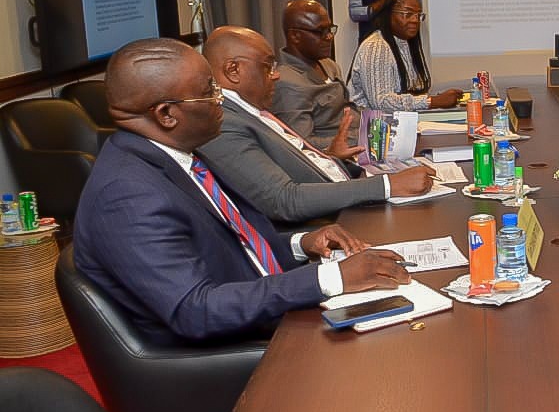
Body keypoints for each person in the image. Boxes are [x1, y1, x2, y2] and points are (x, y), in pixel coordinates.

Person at [73, 38, 407, 346]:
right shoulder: (127, 196)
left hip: (269, 311)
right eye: (209, 91)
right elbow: (196, 309)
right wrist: (330, 278)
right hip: (237, 354)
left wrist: (301, 243)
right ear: (167, 114)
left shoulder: (174, 156)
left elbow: (233, 247)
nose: (221, 99)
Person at [197, 27, 437, 224]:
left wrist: (332, 157)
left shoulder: (248, 109)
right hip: (331, 222)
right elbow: (283, 200)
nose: (276, 75)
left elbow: (290, 167)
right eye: (267, 66)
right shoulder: (222, 123)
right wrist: (387, 185)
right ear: (233, 70)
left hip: (345, 194)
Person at [349, 0, 464, 112]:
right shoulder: (376, 46)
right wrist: (432, 101)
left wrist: (438, 99)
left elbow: (409, 90)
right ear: (388, 15)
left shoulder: (403, 43)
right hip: (371, 123)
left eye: (418, 15)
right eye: (408, 14)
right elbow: (381, 102)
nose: (415, 20)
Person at [271, 0, 355, 151]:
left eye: (330, 29)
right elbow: (302, 143)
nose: (329, 36)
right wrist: (359, 137)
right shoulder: (286, 82)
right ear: (295, 36)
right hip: (337, 156)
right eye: (320, 31)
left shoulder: (328, 65)